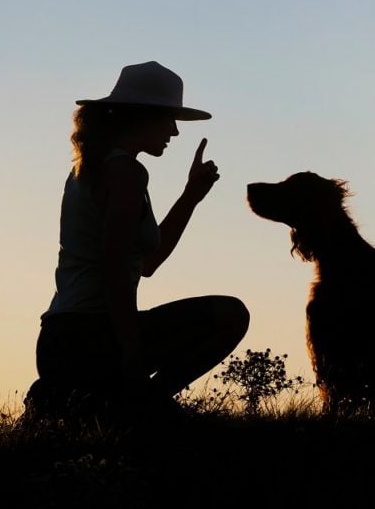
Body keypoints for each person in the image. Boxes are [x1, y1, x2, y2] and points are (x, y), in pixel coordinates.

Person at [25, 61, 250, 427]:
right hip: (92, 335)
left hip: (62, 340)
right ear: (142, 117)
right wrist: (131, 356)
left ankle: (87, 398)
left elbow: (146, 264)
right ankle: (139, 402)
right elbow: (114, 267)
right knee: (230, 315)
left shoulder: (93, 168)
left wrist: (190, 197)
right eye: (169, 120)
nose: (175, 132)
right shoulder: (127, 172)